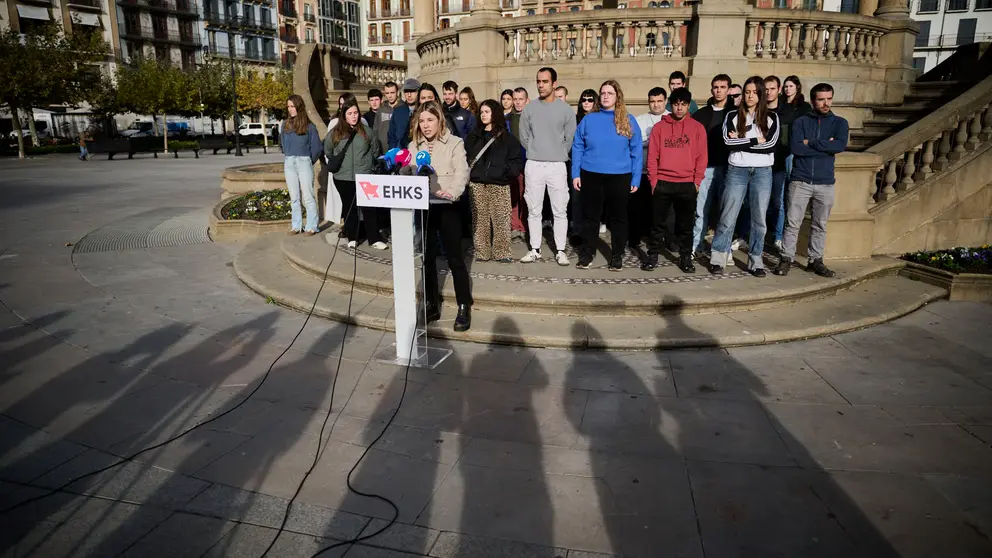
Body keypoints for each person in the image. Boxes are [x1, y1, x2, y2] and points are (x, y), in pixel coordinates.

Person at [409, 101, 472, 332]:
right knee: (427, 257)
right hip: (424, 207)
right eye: (422, 121)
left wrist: (452, 192)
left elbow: (462, 172)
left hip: (447, 206)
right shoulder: (414, 146)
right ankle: (431, 303)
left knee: (454, 258)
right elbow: (408, 171)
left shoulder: (455, 143)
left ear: (440, 120)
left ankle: (464, 305)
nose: (425, 125)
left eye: (430, 120)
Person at [774, 82, 848, 278]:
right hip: (801, 180)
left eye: (829, 99)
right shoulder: (801, 122)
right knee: (792, 223)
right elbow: (797, 148)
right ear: (813, 101)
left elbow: (839, 146)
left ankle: (815, 260)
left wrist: (811, 143)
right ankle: (786, 258)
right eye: (821, 99)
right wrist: (825, 145)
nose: (826, 103)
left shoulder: (840, 123)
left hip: (825, 182)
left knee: (820, 224)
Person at [708, 76, 780, 277]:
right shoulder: (732, 115)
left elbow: (770, 145)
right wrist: (756, 140)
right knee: (728, 215)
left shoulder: (772, 117)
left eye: (755, 92)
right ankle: (718, 258)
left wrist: (741, 139)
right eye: (747, 92)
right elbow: (728, 143)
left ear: (761, 94)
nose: (750, 96)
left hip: (762, 172)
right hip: (737, 170)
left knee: (759, 219)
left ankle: (755, 260)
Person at [571, 79, 642, 271]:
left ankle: (617, 255)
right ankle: (588, 253)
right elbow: (577, 146)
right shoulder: (589, 119)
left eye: (610, 93)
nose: (605, 96)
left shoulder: (628, 119)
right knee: (590, 217)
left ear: (617, 96)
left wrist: (636, 177)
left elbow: (636, 150)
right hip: (591, 174)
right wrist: (575, 173)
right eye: (602, 93)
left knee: (618, 218)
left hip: (620, 175)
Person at [643, 87, 708, 273]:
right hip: (663, 182)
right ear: (671, 105)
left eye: (684, 104)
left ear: (688, 105)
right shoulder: (659, 128)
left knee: (685, 225)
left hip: (687, 183)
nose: (679, 108)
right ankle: (653, 255)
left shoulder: (697, 128)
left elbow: (702, 157)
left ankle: (685, 257)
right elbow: (652, 156)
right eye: (676, 104)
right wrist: (654, 181)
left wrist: (696, 182)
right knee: (657, 224)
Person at [520, 67, 577, 266]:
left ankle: (560, 250)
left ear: (554, 83)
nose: (540, 85)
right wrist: (536, 151)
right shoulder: (529, 109)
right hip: (534, 164)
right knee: (533, 209)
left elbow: (570, 138)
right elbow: (524, 137)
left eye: (545, 81)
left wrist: (557, 153)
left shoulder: (566, 110)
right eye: (538, 81)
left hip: (557, 165)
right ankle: (535, 249)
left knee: (560, 210)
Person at [465, 99, 523, 263]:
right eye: (481, 112)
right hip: (477, 184)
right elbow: (466, 156)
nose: (483, 115)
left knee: (501, 220)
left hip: (499, 184)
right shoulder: (474, 136)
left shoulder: (507, 138)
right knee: (480, 220)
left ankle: (502, 252)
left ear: (495, 114)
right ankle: (482, 252)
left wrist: (505, 172)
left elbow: (516, 161)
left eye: (487, 112)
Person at [324, 99, 385, 249]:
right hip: (343, 177)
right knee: (349, 208)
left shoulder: (367, 131)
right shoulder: (335, 133)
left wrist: (369, 165)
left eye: (356, 112)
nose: (354, 116)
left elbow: (375, 151)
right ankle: (352, 237)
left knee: (369, 208)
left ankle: (374, 239)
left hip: (364, 176)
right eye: (350, 113)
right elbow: (328, 150)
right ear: (344, 115)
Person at [690, 74, 733, 257]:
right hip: (705, 168)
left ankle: (723, 249)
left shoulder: (735, 113)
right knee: (701, 210)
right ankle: (696, 245)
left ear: (728, 90)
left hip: (729, 168)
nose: (719, 91)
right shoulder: (701, 114)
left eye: (722, 87)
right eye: (716, 87)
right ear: (711, 89)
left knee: (726, 211)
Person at [765, 75, 801, 254]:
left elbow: (790, 138)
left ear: (778, 90)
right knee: (756, 201)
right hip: (762, 160)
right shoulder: (760, 109)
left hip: (781, 160)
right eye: (766, 89)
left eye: (772, 88)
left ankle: (778, 237)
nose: (768, 92)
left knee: (778, 201)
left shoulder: (788, 111)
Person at [281, 94, 324, 236]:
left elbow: (317, 148)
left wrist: (308, 160)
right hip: (289, 162)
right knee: (294, 197)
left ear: (299, 107)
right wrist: (289, 155)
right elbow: (283, 144)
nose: (290, 109)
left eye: (292, 106)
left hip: (304, 161)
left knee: (308, 196)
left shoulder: (309, 127)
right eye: (288, 106)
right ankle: (296, 226)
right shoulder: (285, 125)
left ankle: (312, 226)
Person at [632, 86, 669, 249]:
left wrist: (649, 140)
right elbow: (636, 142)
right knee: (641, 206)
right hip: (643, 170)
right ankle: (638, 236)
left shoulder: (671, 118)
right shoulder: (640, 120)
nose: (656, 104)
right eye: (652, 101)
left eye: (659, 101)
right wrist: (652, 140)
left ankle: (665, 238)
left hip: (665, 172)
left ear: (665, 101)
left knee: (663, 209)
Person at [508, 86, 530, 239]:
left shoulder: (533, 117)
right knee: (513, 196)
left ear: (527, 100)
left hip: (528, 162)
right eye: (515, 99)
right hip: (511, 164)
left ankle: (524, 225)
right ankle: (514, 226)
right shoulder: (507, 119)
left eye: (520, 99)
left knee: (526, 196)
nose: (517, 102)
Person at [387, 78, 420, 149]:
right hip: (401, 151)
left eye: (412, 91)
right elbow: (392, 135)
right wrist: (394, 150)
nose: (409, 95)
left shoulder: (422, 109)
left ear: (418, 92)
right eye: (406, 91)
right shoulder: (398, 110)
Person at [372, 80, 399, 152]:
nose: (390, 96)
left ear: (397, 92)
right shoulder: (381, 109)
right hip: (382, 151)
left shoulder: (403, 108)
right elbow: (375, 130)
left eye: (392, 92)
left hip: (399, 150)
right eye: (387, 93)